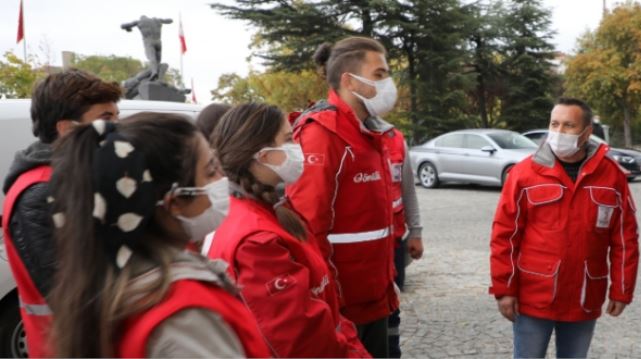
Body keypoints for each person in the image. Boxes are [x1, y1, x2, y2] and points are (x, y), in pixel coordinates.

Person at [47, 114, 270, 358]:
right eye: (210, 171)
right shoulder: (185, 319)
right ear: (173, 202)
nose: (222, 179)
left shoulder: (108, 281)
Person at [205, 103, 370, 358]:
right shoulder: (258, 240)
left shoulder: (270, 210)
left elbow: (324, 309)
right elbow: (302, 341)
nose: (298, 147)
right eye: (288, 139)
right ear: (262, 155)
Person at [489, 97, 640, 358]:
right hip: (534, 296)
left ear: (586, 132)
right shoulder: (524, 174)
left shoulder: (611, 175)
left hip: (583, 296)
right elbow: (504, 235)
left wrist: (622, 290)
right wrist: (504, 289)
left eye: (568, 125)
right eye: (554, 124)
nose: (558, 132)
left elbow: (625, 239)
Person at [286, 36, 400, 357]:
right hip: (344, 309)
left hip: (375, 299)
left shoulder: (370, 131)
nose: (388, 82)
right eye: (379, 74)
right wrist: (328, 305)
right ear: (350, 80)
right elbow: (308, 229)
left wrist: (387, 282)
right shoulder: (322, 134)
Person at [1, 69, 121, 357]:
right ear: (68, 129)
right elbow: (73, 294)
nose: (119, 129)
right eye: (107, 120)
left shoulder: (74, 179)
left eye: (118, 117)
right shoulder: (40, 194)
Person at [383, 127, 424, 358]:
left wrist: (415, 231)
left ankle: (392, 352)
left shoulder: (395, 139)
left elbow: (408, 190)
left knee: (393, 305)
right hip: (361, 248)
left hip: (394, 242)